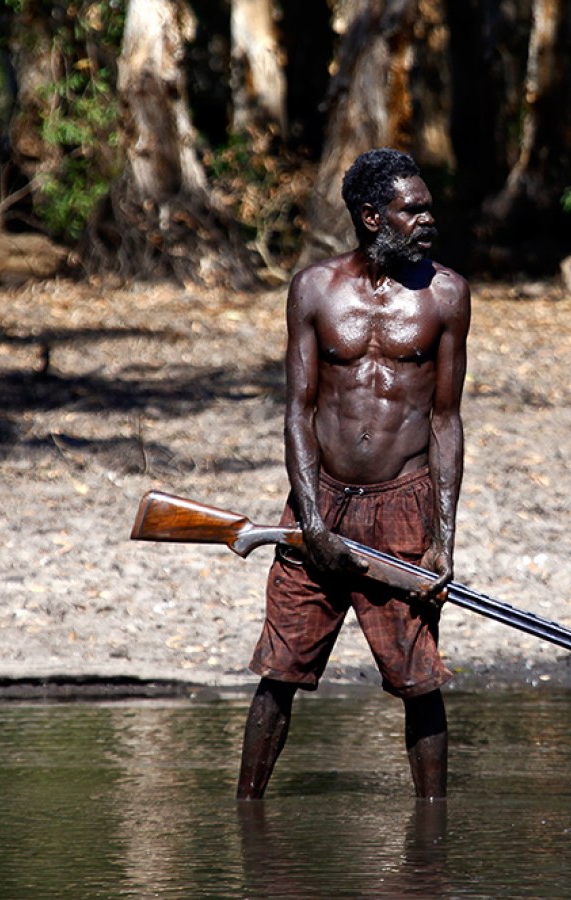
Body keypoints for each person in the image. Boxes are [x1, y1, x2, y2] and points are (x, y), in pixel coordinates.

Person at [237, 148, 470, 801]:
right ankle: (247, 817)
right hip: (318, 506)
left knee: (418, 680)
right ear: (372, 216)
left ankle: (432, 843)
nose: (428, 219)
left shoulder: (447, 295)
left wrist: (443, 539)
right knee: (279, 673)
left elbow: (447, 421)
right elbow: (298, 410)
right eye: (412, 209)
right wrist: (310, 524)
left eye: (429, 207)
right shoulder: (314, 289)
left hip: (403, 507)